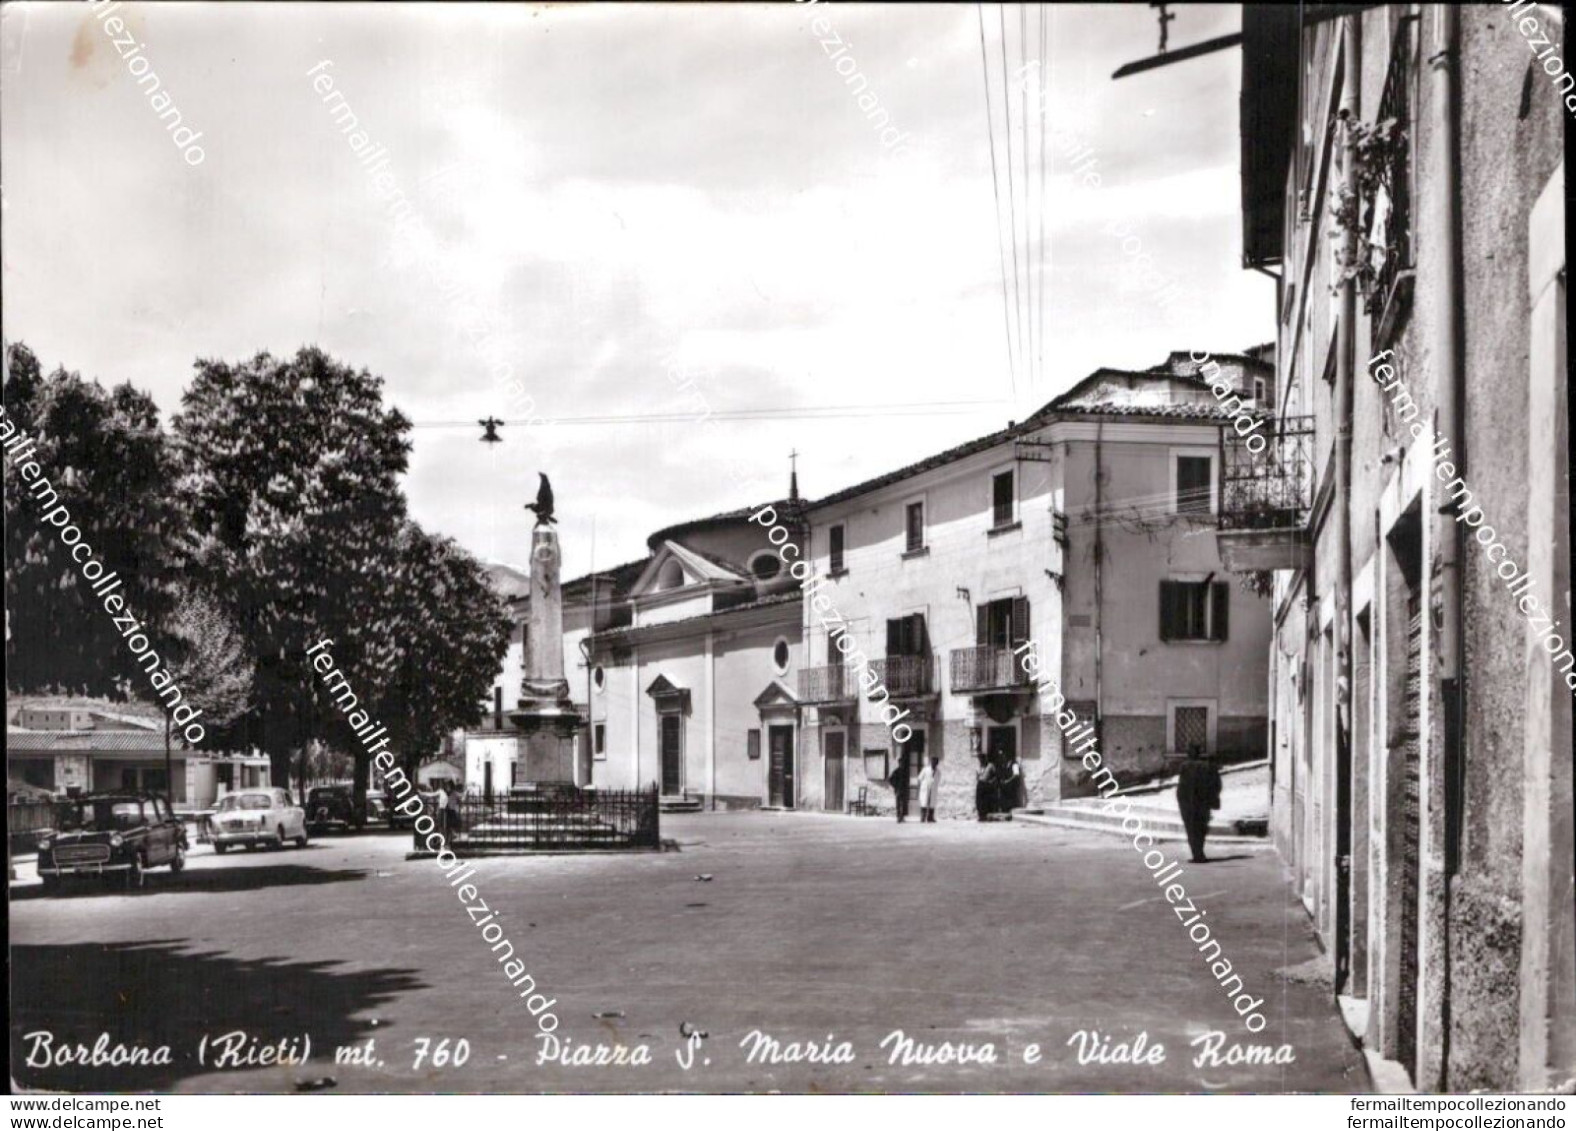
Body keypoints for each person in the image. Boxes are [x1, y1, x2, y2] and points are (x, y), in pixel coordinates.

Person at [1176, 745, 1222, 863]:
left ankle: (1196, 854)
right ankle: (1199, 852)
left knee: (1191, 829)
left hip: (1188, 804)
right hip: (1203, 803)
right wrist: (1212, 799)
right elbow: (1217, 784)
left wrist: (1181, 801)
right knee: (1201, 828)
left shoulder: (1184, 767)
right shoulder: (1207, 766)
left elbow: (1181, 787)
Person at [888, 755, 911, 823]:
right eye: (901, 763)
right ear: (899, 763)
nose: (902, 764)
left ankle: (902, 817)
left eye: (903, 763)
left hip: (904, 790)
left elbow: (907, 781)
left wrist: (907, 787)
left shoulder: (905, 772)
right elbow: (890, 780)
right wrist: (895, 786)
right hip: (898, 790)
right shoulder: (896, 771)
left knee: (903, 804)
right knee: (898, 804)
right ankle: (898, 817)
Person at [916, 755, 940, 823]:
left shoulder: (938, 772)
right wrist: (920, 788)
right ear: (931, 762)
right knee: (924, 803)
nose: (934, 764)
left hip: (932, 790)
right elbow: (919, 778)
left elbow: (938, 780)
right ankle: (923, 818)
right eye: (933, 762)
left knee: (932, 803)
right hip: (925, 789)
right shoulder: (925, 769)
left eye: (936, 763)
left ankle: (930, 817)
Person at [975, 755, 997, 822]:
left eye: (982, 759)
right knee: (979, 801)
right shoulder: (979, 767)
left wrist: (991, 782)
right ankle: (980, 815)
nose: (981, 760)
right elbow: (977, 776)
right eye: (980, 759)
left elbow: (995, 775)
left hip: (987, 784)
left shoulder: (990, 766)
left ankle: (985, 816)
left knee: (985, 800)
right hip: (980, 784)